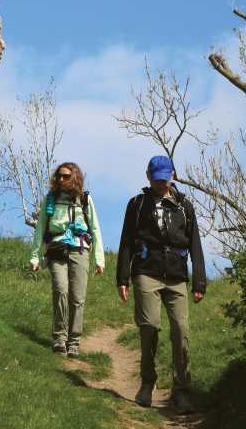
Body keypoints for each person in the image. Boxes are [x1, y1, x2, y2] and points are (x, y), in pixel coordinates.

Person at [116, 154, 206, 414]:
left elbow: (195, 244)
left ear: (172, 176)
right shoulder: (137, 204)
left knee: (181, 330)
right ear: (148, 176)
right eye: (156, 179)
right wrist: (122, 278)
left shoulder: (185, 206)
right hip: (146, 271)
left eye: (164, 179)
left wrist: (199, 281)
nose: (160, 183)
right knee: (150, 326)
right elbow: (126, 242)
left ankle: (182, 390)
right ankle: (148, 381)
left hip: (177, 275)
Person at [29, 162, 105, 357]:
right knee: (60, 290)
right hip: (57, 249)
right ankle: (59, 338)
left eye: (66, 176)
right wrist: (35, 256)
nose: (61, 179)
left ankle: (74, 341)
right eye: (59, 176)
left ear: (75, 177)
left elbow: (95, 228)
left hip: (80, 249)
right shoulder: (51, 199)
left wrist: (99, 259)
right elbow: (40, 227)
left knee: (77, 297)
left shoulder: (85, 199)